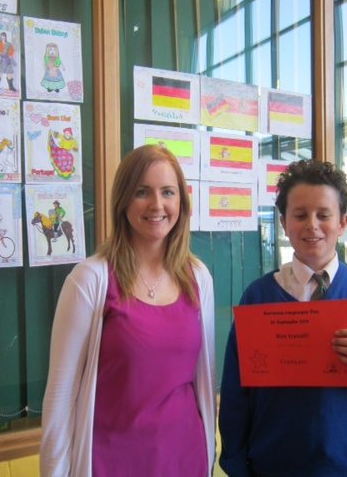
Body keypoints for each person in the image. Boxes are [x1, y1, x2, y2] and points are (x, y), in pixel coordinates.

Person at [218, 159, 347, 477]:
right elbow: (235, 395)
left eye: (324, 215)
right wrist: (235, 464)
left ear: (342, 222)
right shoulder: (258, 297)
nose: (312, 225)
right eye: (300, 215)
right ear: (284, 223)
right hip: (271, 466)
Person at [40, 144, 216, 477]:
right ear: (123, 201)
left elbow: (205, 381)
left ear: (182, 202)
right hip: (111, 462)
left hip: (185, 458)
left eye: (168, 192)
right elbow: (60, 397)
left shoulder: (198, 278)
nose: (157, 205)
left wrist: (209, 458)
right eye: (142, 192)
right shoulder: (90, 280)